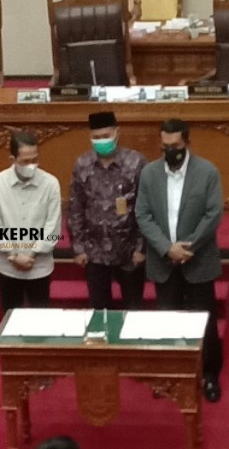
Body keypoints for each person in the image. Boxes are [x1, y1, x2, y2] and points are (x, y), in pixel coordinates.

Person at [135, 118, 225, 403]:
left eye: (175, 145)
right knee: (168, 321)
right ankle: (169, 375)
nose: (170, 151)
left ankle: (209, 375)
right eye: (165, 146)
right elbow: (143, 215)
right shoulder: (149, 173)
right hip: (164, 261)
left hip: (198, 260)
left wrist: (189, 247)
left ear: (187, 142)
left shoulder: (207, 171)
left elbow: (213, 213)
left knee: (204, 322)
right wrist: (167, 248)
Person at [68, 111, 147, 310]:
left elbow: (146, 207)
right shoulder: (82, 164)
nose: (101, 141)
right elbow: (76, 207)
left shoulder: (136, 162)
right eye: (96, 137)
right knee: (99, 310)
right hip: (94, 250)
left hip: (128, 249)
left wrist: (141, 248)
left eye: (106, 136)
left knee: (133, 310)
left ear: (117, 133)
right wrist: (78, 247)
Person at [0, 130, 62, 313]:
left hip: (39, 266)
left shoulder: (50, 183)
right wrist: (14, 255)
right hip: (7, 266)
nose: (31, 165)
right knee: (9, 318)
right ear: (13, 160)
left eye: (35, 160)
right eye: (26, 161)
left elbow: (52, 227)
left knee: (40, 320)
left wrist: (31, 254)